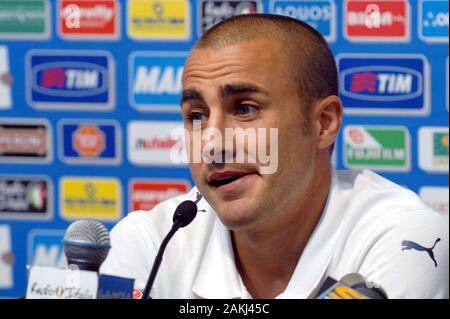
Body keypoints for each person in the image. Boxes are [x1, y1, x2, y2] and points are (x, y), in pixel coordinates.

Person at [100, 14, 449, 299]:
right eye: (197, 115)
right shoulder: (152, 242)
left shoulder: (403, 236)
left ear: (323, 123)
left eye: (245, 109)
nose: (211, 143)